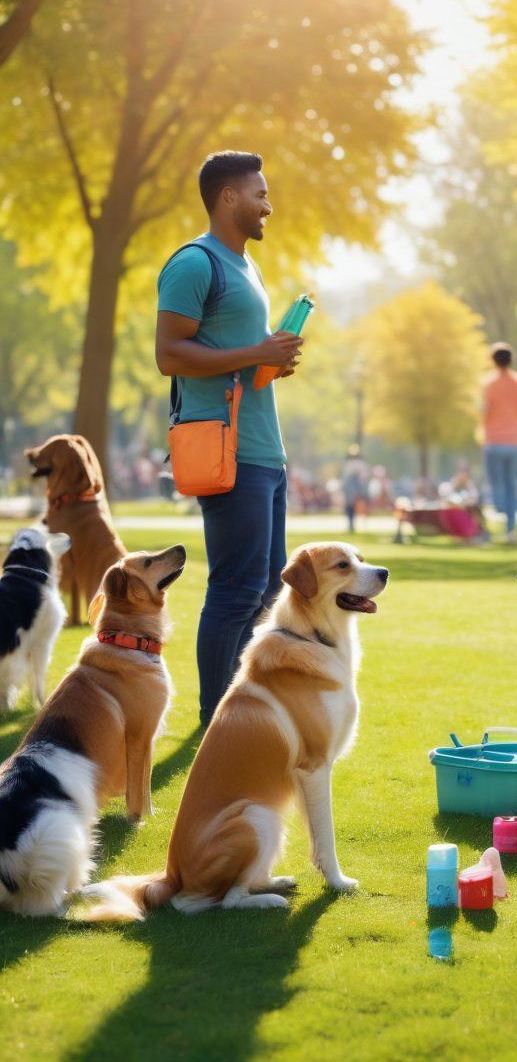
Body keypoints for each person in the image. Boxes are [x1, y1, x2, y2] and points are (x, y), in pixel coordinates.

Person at [155, 150, 303, 727]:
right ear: (228, 197)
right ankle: (215, 717)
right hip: (227, 451)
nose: (269, 205)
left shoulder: (247, 267)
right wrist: (255, 351)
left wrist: (271, 360)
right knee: (236, 588)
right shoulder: (194, 263)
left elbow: (233, 355)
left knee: (266, 588)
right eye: (260, 194)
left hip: (266, 449)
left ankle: (241, 707)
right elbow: (170, 355)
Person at [481, 342, 517, 544]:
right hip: (515, 442)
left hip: (493, 441)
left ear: (493, 361)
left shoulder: (488, 383)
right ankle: (511, 529)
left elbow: (483, 411)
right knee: (511, 485)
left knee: (497, 485)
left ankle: (500, 510)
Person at [342, 445, 368, 533]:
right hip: (351, 489)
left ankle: (353, 524)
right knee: (351, 508)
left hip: (355, 489)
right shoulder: (351, 464)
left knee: (354, 507)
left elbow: (362, 478)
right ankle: (351, 524)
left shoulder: (358, 464)